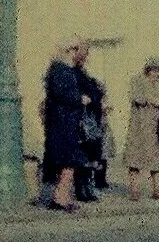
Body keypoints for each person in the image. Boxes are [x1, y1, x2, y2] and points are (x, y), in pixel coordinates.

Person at [40, 43, 90, 211]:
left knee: (67, 162)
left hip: (65, 121)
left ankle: (61, 196)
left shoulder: (60, 68)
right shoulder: (61, 69)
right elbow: (60, 92)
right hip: (64, 122)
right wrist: (79, 98)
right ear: (69, 51)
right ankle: (60, 199)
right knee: (68, 161)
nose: (79, 54)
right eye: (76, 50)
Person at [124, 56, 159, 202]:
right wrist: (151, 100)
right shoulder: (137, 80)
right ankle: (134, 190)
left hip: (156, 127)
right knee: (135, 159)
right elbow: (135, 97)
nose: (157, 73)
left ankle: (157, 190)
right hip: (139, 127)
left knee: (156, 161)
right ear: (148, 69)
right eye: (154, 70)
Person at [75, 65, 109, 201]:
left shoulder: (91, 83)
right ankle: (81, 190)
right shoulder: (76, 84)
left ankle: (87, 188)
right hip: (81, 125)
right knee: (83, 158)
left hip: (90, 124)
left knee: (90, 158)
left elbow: (97, 99)